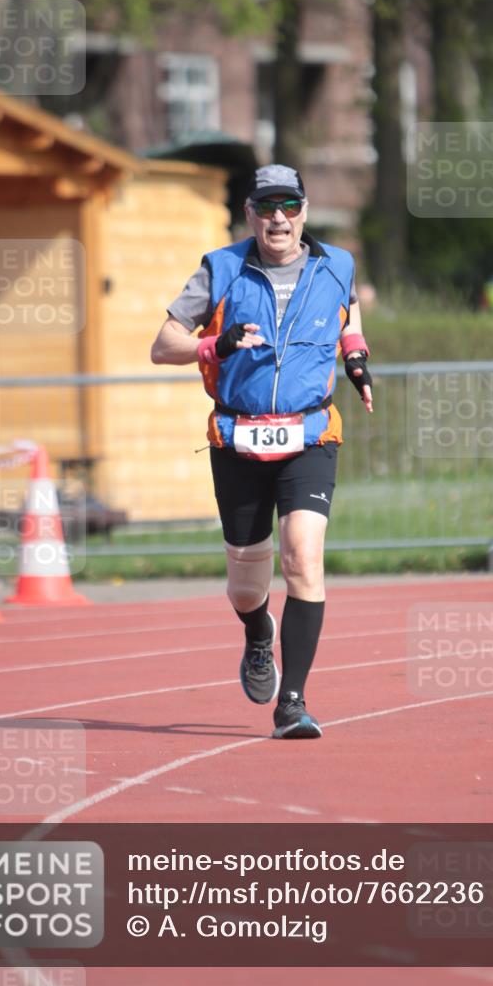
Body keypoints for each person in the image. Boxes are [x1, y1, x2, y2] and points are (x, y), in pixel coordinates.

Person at [151, 164, 372, 739]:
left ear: (305, 210)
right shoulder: (220, 268)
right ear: (249, 212)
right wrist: (211, 344)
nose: (279, 218)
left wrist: (355, 357)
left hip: (309, 435)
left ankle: (293, 702)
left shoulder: (337, 264)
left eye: (290, 206)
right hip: (238, 437)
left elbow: (349, 316)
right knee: (247, 585)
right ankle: (257, 633)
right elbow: (162, 345)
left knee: (303, 557)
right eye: (267, 206)